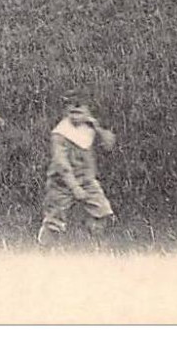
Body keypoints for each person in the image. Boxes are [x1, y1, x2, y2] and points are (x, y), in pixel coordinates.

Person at [37, 96, 117, 244]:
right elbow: (62, 165)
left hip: (87, 180)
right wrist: (75, 187)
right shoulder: (60, 133)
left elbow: (109, 145)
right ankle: (45, 249)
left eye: (80, 110)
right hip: (61, 183)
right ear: (66, 112)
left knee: (103, 212)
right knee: (54, 221)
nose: (76, 114)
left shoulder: (89, 128)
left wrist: (98, 128)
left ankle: (95, 244)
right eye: (72, 111)